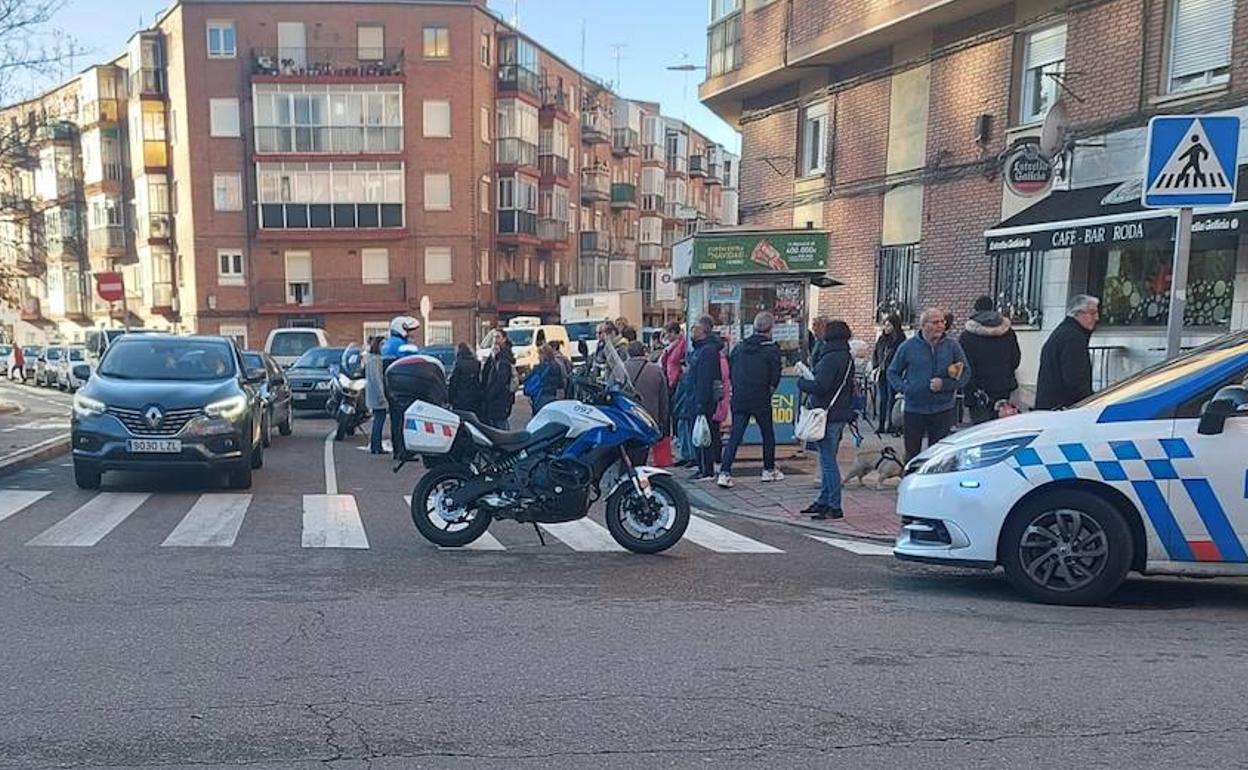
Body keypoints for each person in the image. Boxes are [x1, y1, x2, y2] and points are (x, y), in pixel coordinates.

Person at [887, 307, 972, 462]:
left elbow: (965, 373)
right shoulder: (908, 347)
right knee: (912, 454)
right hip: (914, 408)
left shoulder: (952, 347)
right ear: (924, 325)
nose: (940, 326)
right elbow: (892, 372)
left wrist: (945, 384)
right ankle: (910, 482)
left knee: (938, 455)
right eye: (935, 322)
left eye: (942, 322)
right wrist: (906, 389)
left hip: (943, 408)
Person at [797, 321, 855, 519]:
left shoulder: (830, 358)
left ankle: (833, 505)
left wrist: (802, 383)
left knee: (828, 461)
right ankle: (823, 500)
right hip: (839, 413)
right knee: (827, 457)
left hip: (825, 414)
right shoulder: (847, 357)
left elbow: (821, 386)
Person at [717, 312, 784, 488]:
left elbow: (731, 370)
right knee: (767, 434)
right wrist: (768, 391)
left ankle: (724, 472)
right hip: (761, 397)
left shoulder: (739, 348)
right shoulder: (771, 350)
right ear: (770, 329)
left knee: (735, 436)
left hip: (740, 397)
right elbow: (775, 378)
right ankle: (768, 470)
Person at [960, 296, 1022, 423]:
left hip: (977, 391)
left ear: (975, 310)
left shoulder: (967, 336)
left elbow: (963, 365)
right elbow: (1016, 359)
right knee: (1002, 428)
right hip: (1003, 387)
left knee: (980, 431)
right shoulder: (1008, 332)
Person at [1035, 294, 1099, 410]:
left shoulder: (1065, 332)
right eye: (1092, 313)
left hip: (1052, 406)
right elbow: (1075, 381)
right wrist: (1091, 403)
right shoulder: (1073, 338)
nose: (1096, 318)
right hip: (1063, 409)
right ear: (1078, 313)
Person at [681, 316, 724, 481]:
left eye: (695, 328)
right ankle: (702, 467)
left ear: (704, 331)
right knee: (699, 434)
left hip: (701, 400)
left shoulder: (708, 351)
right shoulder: (699, 350)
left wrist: (701, 402)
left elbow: (705, 379)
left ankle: (706, 469)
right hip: (694, 397)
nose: (692, 331)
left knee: (704, 434)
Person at [624, 341, 669, 444]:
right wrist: (663, 422)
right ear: (643, 351)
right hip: (651, 419)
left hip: (629, 418)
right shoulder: (656, 370)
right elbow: (664, 400)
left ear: (628, 353)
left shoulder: (621, 369)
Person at [872, 314, 905, 433]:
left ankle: (891, 424)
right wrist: (875, 365)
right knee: (883, 399)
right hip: (882, 372)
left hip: (894, 373)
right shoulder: (882, 339)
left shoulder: (900, 340)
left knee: (892, 398)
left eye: (889, 325)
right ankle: (881, 424)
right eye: (885, 325)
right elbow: (876, 353)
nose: (886, 327)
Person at [480, 333, 517, 429]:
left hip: (500, 398)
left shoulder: (504, 358)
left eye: (497, 337)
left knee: (501, 425)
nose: (495, 339)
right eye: (493, 337)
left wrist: (489, 395)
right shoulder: (495, 357)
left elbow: (501, 381)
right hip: (494, 399)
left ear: (504, 339)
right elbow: (486, 374)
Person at [365, 337, 388, 454]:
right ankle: (376, 446)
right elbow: (377, 379)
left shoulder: (370, 359)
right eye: (382, 344)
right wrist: (381, 395)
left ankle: (376, 446)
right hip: (377, 394)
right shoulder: (375, 360)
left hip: (373, 393)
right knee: (379, 419)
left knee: (378, 419)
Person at [527, 343, 565, 411]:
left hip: (540, 396)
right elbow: (560, 383)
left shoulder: (538, 368)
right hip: (553, 395)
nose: (538, 357)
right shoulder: (556, 366)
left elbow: (529, 380)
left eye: (540, 354)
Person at [448, 342, 482, 415]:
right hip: (475, 397)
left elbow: (454, 382)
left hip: (460, 398)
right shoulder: (477, 363)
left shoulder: (459, 364)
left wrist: (450, 399)